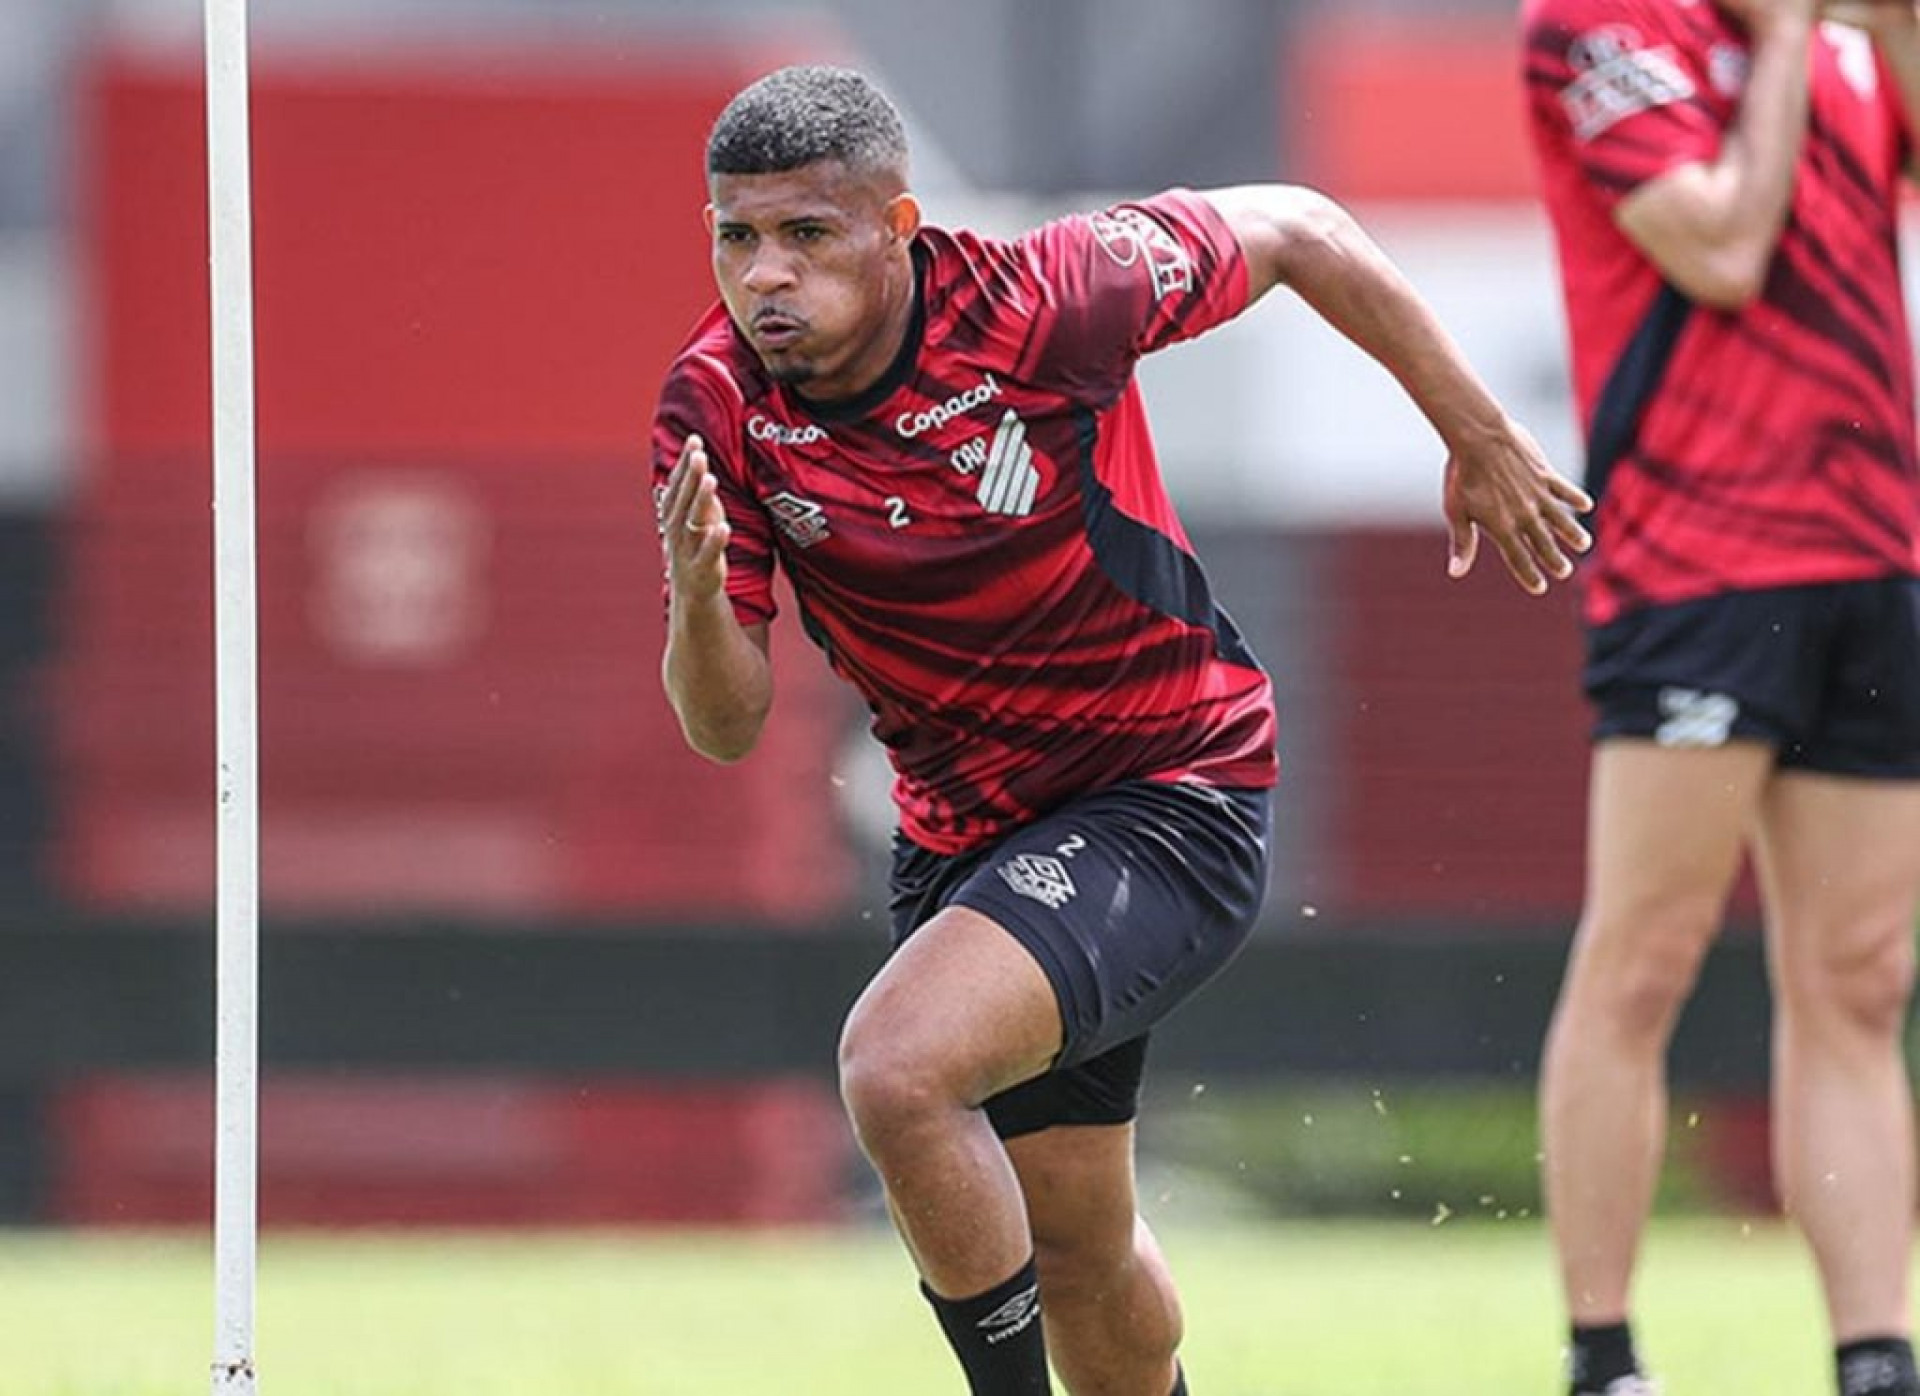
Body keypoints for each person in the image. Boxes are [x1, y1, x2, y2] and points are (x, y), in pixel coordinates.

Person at [654, 64, 1590, 1396]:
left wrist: (1478, 433)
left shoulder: (1046, 298)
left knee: (898, 1069)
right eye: (736, 238)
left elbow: (1303, 231)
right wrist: (696, 601)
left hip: (1169, 793)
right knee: (1082, 1251)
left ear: (898, 228)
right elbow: (726, 726)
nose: (766, 277)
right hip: (969, 844)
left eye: (807, 235)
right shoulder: (715, 408)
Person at [1522, 2, 1920, 1393]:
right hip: (1702, 566)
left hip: (1874, 557)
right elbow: (1726, 246)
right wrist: (1801, 36)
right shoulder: (1596, 27)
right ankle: (1605, 1354)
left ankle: (1878, 1357)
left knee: (1862, 979)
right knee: (1644, 959)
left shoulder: (1839, 35)